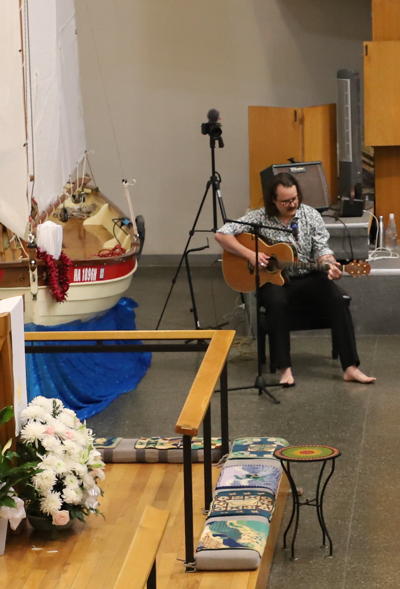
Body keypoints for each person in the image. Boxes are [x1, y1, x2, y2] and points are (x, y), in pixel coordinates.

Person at [215, 172, 375, 386]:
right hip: (273, 280)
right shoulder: (259, 217)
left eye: (294, 199)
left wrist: (329, 262)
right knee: (276, 301)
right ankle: (284, 369)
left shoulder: (310, 215)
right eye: (285, 201)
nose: (292, 204)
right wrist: (250, 255)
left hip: (307, 275)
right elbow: (222, 234)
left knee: (337, 298)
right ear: (274, 201)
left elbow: (322, 248)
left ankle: (350, 367)